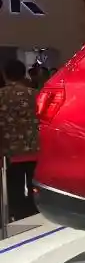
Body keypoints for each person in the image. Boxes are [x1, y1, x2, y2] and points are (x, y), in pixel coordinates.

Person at [0, 59, 40, 221]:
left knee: (13, 186)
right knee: (33, 184)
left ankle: (18, 215)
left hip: (10, 151)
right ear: (24, 74)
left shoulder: (1, 95)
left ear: (5, 74)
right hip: (34, 148)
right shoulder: (35, 94)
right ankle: (34, 212)